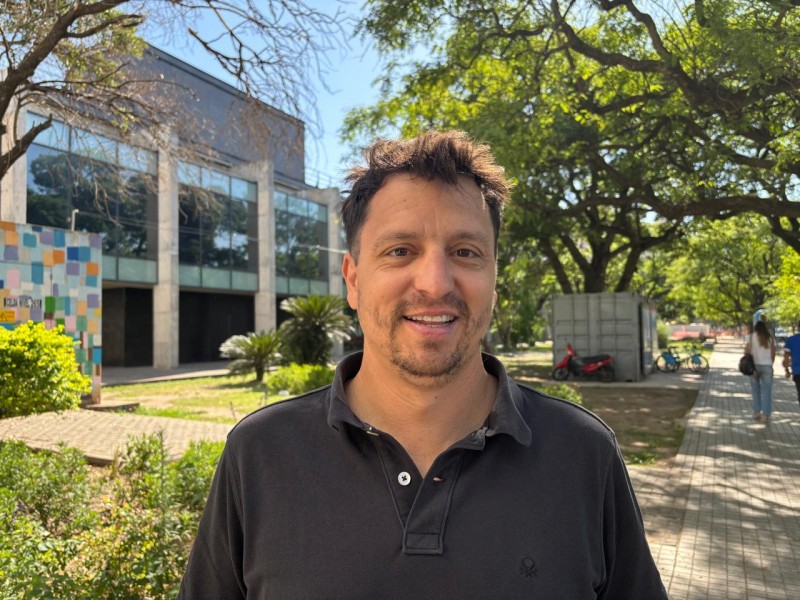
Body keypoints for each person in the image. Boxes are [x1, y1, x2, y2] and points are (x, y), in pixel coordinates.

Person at [178, 130, 668, 599]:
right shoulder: (260, 453)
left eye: (465, 252)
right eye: (400, 251)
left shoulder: (584, 453)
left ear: (494, 282)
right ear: (353, 280)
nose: (435, 283)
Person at [744, 320, 776, 424]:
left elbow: (746, 351)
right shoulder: (770, 338)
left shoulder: (750, 337)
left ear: (755, 328)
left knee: (755, 390)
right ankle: (766, 415)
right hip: (767, 366)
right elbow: (773, 353)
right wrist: (771, 364)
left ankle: (757, 412)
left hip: (754, 367)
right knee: (767, 391)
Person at [783, 321, 800, 406]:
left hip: (797, 372)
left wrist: (787, 370)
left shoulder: (791, 340)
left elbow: (786, 357)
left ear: (798, 328)